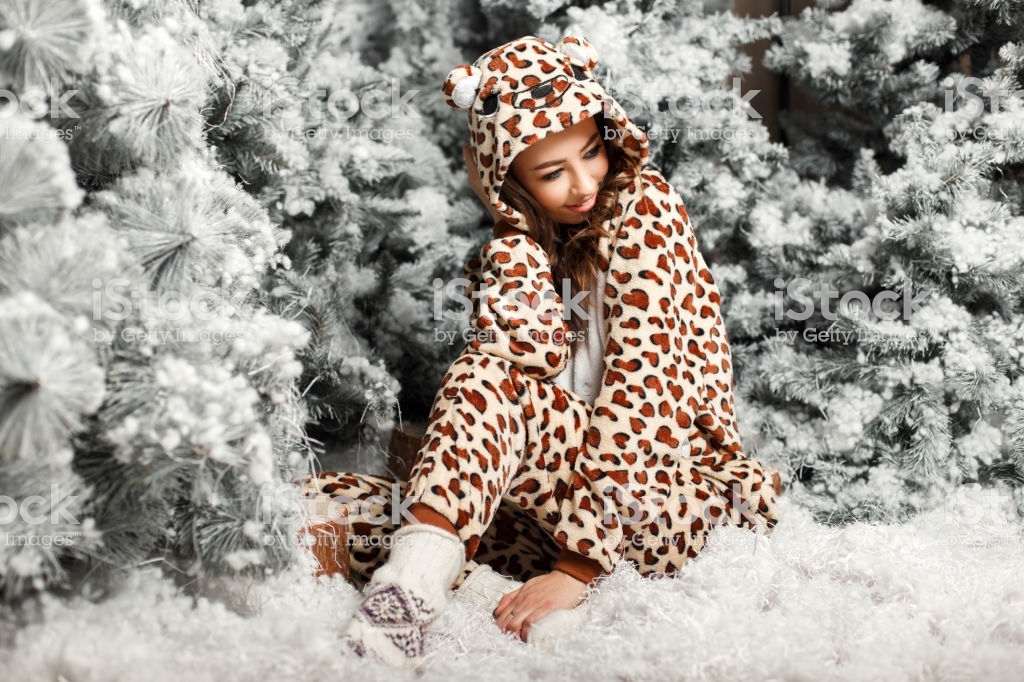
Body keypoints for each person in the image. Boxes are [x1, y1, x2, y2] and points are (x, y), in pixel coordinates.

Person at [302, 35, 782, 670]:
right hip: (569, 497)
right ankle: (421, 596)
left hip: (678, 501)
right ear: (510, 182)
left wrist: (577, 569)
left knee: (481, 380)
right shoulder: (522, 246)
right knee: (347, 507)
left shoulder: (646, 211)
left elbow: (649, 397)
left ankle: (439, 591)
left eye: (591, 153)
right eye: (552, 174)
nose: (584, 183)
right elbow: (527, 361)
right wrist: (515, 250)